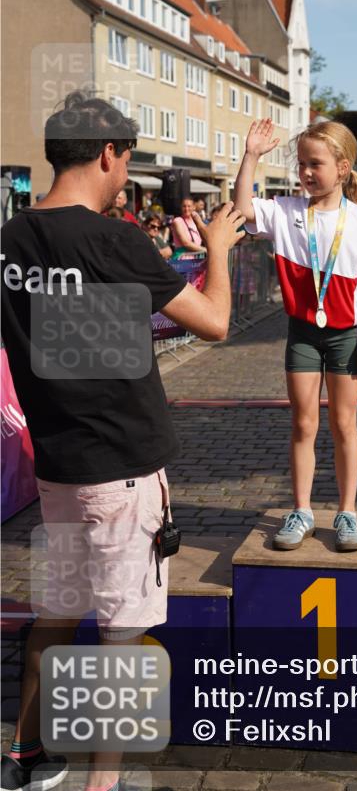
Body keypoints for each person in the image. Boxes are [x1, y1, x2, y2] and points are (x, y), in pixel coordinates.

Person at [0, 91, 246, 791]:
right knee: (120, 632)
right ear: (109, 153)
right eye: (127, 160)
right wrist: (219, 249)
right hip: (123, 469)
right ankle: (102, 783)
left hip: (57, 464)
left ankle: (27, 756)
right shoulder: (113, 238)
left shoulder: (9, 239)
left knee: (57, 610)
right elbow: (216, 323)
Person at [234, 118, 357, 554]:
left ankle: (347, 511)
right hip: (302, 333)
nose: (305, 172)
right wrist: (251, 155)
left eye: (314, 164)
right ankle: (301, 510)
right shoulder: (285, 212)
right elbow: (243, 208)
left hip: (346, 335)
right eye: (301, 163)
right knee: (303, 423)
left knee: (344, 424)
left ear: (342, 167)